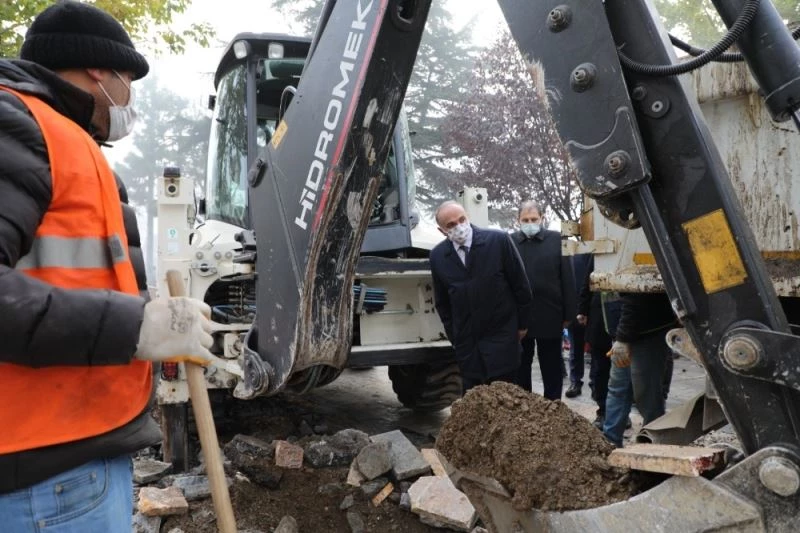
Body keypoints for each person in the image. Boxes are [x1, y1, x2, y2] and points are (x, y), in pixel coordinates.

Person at [0, 3, 216, 531]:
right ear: (99, 70)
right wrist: (136, 326)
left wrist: (145, 311)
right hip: (41, 478)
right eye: (127, 81)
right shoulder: (21, 128)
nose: (128, 99)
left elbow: (72, 277)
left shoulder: (65, 142)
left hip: (65, 457)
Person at [430, 201, 532, 393]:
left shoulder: (498, 241)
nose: (459, 227)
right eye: (451, 225)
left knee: (505, 402)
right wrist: (456, 338)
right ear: (442, 230)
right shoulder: (437, 257)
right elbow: (443, 303)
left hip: (502, 339)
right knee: (475, 406)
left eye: (461, 219)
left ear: (467, 217)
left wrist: (521, 326)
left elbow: (521, 285)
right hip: (469, 347)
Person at [511, 201, 575, 400]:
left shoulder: (557, 240)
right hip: (521, 317)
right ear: (518, 221)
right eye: (525, 220)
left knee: (552, 365)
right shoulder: (509, 242)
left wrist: (569, 314)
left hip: (551, 313)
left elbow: (567, 277)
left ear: (542, 218)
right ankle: (525, 407)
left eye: (534, 219)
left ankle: (553, 406)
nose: (530, 223)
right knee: (521, 365)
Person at [603, 292, 679, 447]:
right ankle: (611, 443)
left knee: (646, 395)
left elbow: (635, 299)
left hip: (645, 333)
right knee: (624, 390)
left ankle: (653, 446)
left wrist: (623, 338)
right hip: (634, 331)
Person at [576, 256, 621, 428]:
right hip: (599, 320)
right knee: (601, 370)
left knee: (624, 374)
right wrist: (582, 309)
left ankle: (620, 414)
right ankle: (603, 412)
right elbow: (587, 281)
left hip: (627, 319)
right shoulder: (600, 253)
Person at [565, 252, 592, 397]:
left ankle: (596, 383)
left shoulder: (596, 255)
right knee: (575, 349)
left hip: (594, 309)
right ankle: (575, 381)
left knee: (600, 350)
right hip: (575, 309)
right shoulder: (571, 256)